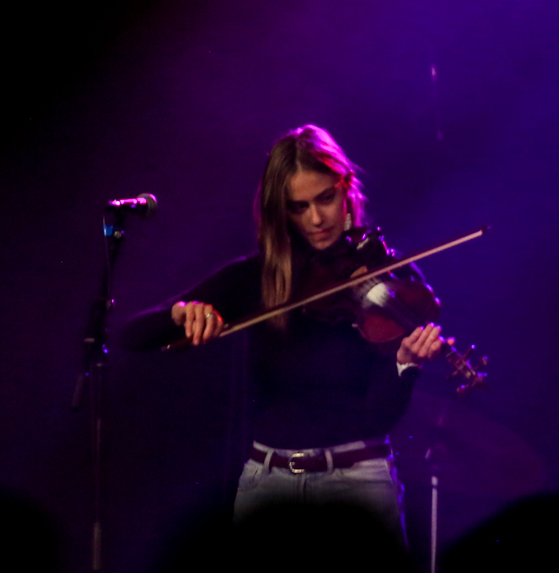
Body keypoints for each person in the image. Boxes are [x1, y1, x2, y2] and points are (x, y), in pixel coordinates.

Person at [118, 125, 444, 536]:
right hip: (267, 484)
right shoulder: (254, 277)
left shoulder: (390, 282)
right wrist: (181, 314)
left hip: (357, 481)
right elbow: (131, 335)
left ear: (346, 189)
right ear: (281, 211)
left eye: (326, 198)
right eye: (298, 206)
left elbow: (377, 417)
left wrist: (404, 365)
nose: (316, 218)